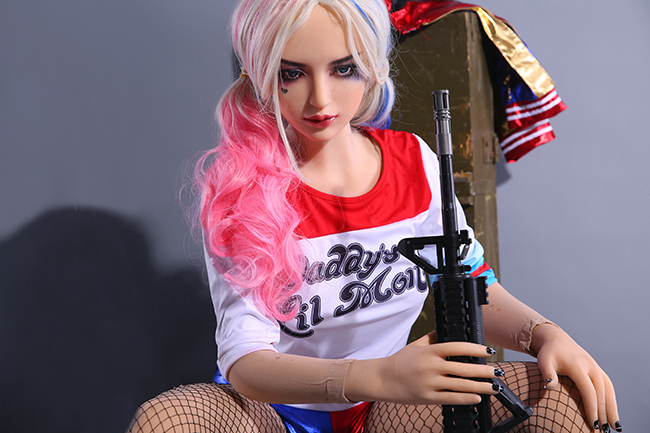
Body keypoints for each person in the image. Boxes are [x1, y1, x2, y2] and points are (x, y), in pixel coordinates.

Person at [127, 0, 621, 432]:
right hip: (272, 413)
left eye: (344, 69)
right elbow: (245, 363)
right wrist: (373, 374)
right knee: (165, 421)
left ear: (372, 65)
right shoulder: (243, 191)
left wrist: (543, 334)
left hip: (390, 406)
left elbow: (472, 283)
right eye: (291, 73)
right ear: (259, 74)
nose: (320, 99)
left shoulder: (414, 163)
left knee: (566, 398)